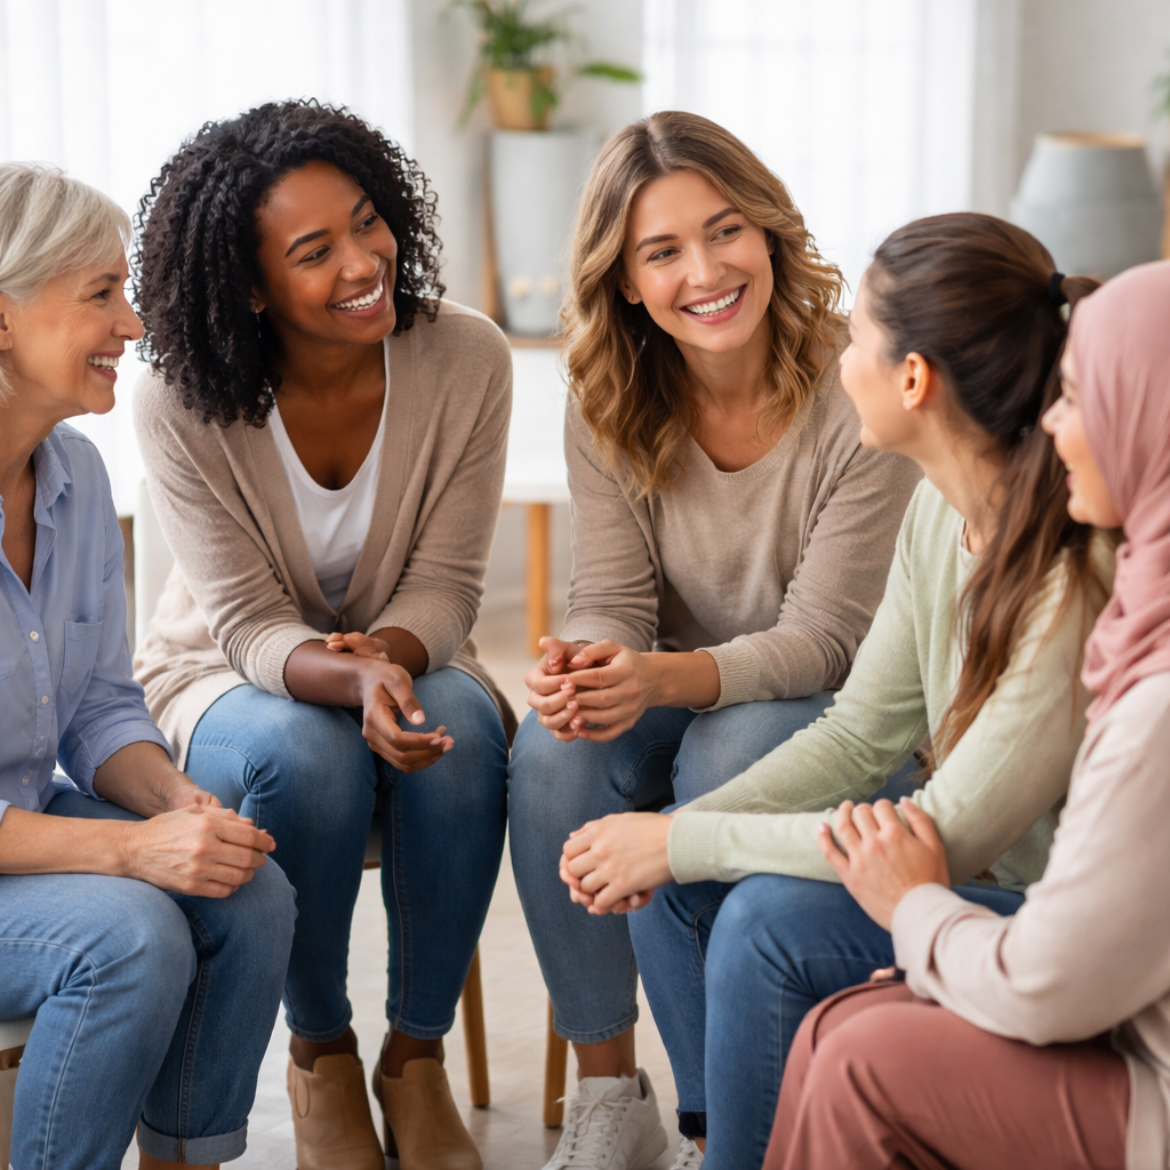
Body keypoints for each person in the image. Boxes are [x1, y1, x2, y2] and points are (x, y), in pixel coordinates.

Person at [563, 214, 1115, 1169]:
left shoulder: (1070, 571)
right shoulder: (943, 510)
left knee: (764, 919)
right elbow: (861, 733)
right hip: (976, 875)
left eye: (857, 336)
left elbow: (952, 834)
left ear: (914, 381)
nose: (840, 358)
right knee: (676, 884)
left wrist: (684, 837)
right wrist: (672, 837)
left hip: (1057, 923)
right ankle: (719, 1140)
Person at [507, 110, 921, 1170]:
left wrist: (660, 677)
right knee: (554, 753)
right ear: (628, 280)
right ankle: (613, 1097)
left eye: (726, 230)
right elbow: (610, 594)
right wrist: (591, 663)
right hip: (673, 686)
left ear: (771, 232)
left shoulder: (854, 384)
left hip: (820, 701)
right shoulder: (606, 393)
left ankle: (720, 1128)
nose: (706, 269)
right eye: (663, 251)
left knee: (725, 753)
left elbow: (827, 640)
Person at [132, 101, 511, 1170]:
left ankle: (417, 1059)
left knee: (468, 738)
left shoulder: (466, 359)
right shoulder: (180, 395)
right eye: (315, 251)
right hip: (225, 671)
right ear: (252, 287)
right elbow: (246, 620)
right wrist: (344, 686)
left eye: (366, 222)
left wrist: (383, 663)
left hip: (412, 644)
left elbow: (446, 584)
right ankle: (323, 1055)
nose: (363, 261)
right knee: (306, 753)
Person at [764, 258, 1170, 1170]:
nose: (1054, 424)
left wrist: (918, 914)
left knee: (860, 1050)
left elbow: (1049, 983)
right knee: (851, 1023)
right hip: (1120, 1011)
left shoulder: (1152, 697)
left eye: (1082, 397)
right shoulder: (1141, 616)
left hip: (1145, 1076)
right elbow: (864, 726)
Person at [0, 163, 295, 1170]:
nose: (132, 325)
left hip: (22, 829)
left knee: (248, 892)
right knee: (129, 934)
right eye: (99, 294)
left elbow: (96, 713)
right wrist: (128, 853)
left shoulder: (76, 477)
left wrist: (177, 803)